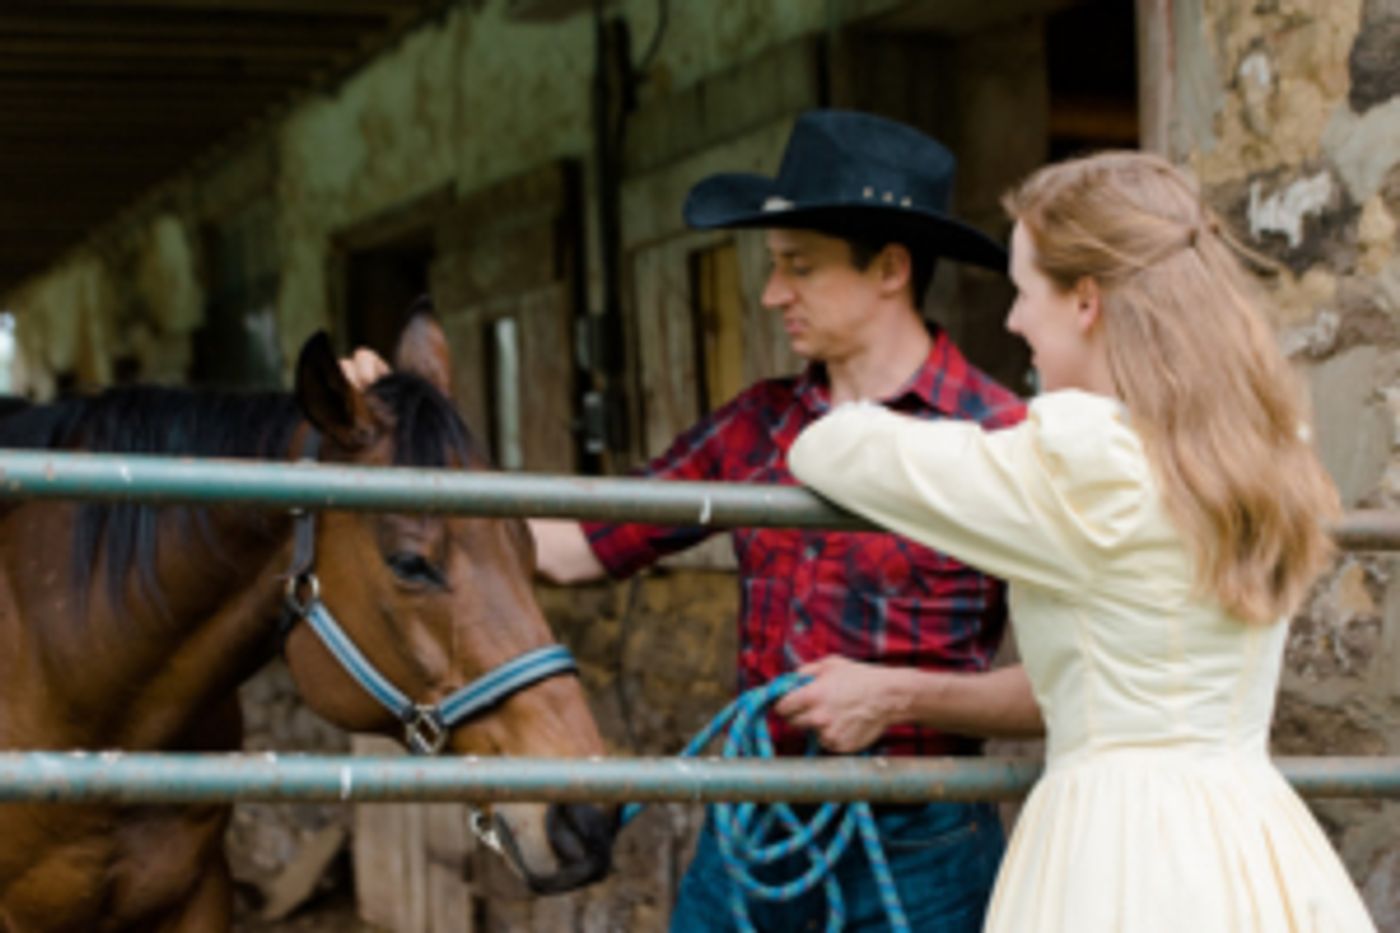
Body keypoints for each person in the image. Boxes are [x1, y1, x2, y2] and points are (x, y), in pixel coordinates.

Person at [343, 110, 1040, 932]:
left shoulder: (1007, 442)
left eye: (799, 268)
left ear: (890, 268)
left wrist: (896, 696)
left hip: (923, 841)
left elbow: (1069, 688)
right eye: (775, 267)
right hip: (754, 825)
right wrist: (406, 442)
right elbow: (569, 550)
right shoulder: (758, 424)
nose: (771, 292)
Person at [787, 151, 1376, 932]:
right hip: (1250, 831)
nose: (1013, 320)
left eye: (1027, 293)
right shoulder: (1247, 451)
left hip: (1118, 845)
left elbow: (831, 450)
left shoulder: (1090, 470)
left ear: (1087, 301)